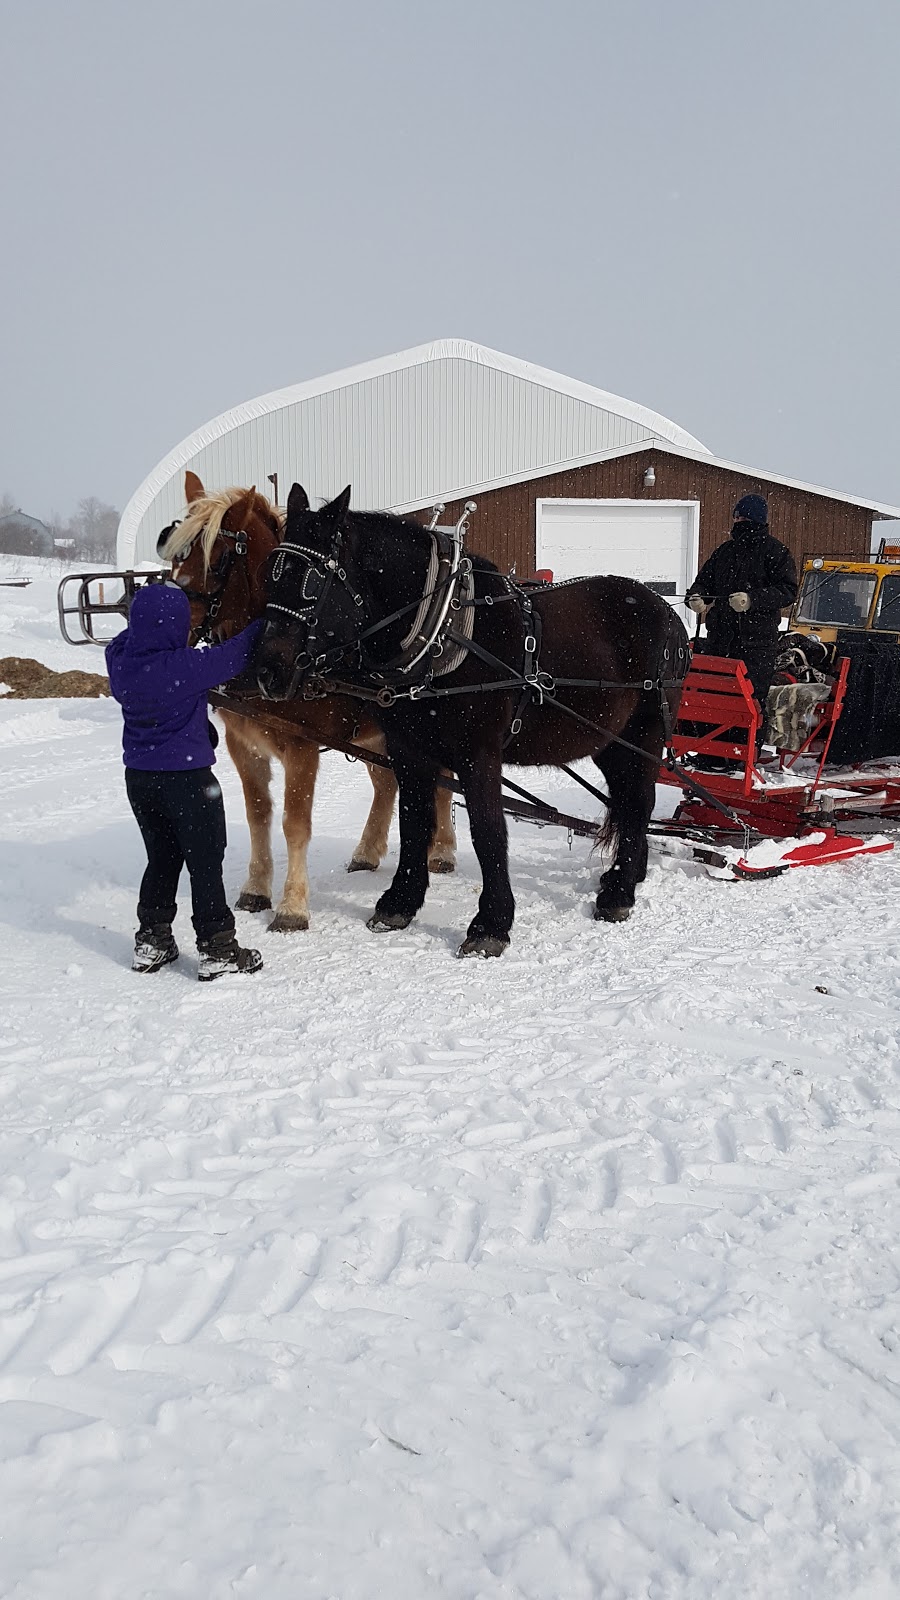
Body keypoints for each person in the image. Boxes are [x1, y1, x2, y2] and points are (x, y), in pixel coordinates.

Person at [106, 581, 264, 980]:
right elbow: (237, 653)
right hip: (189, 782)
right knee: (206, 863)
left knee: (162, 857)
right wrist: (267, 620)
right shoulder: (185, 666)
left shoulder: (121, 662)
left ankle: (152, 940)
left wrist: (142, 615)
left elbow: (123, 639)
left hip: (139, 780)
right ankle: (218, 948)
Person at [685, 494, 798, 711]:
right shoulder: (725, 552)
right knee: (714, 699)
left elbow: (788, 591)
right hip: (720, 640)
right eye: (736, 518)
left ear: (754, 520)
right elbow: (704, 582)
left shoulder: (775, 552)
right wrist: (696, 597)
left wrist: (752, 600)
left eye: (742, 519)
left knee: (750, 704)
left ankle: (749, 744)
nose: (737, 522)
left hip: (756, 646)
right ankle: (712, 743)